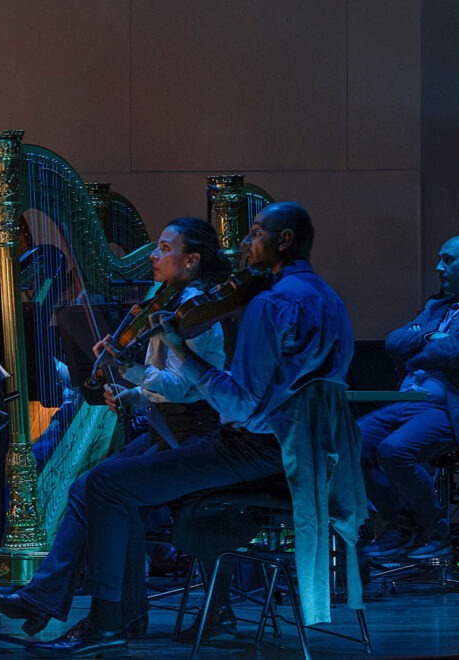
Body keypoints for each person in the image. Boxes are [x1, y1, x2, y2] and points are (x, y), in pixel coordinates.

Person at [26, 202, 352, 658]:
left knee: (103, 484)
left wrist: (181, 349)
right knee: (114, 482)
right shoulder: (330, 300)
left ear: (284, 241)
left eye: (255, 233)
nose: (244, 244)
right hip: (308, 454)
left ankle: (106, 626)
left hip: (258, 450)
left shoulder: (270, 304)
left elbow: (239, 404)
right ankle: (119, 614)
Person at [0, 218, 230, 639]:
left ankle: (90, 608)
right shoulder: (168, 302)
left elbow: (185, 388)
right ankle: (69, 601)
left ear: (192, 260)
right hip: (168, 429)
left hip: (195, 436)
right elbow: (164, 387)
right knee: (85, 488)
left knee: (102, 490)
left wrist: (127, 368)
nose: (154, 255)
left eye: (165, 248)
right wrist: (131, 395)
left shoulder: (196, 312)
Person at [360, 235, 459, 560]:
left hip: (456, 410)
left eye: (447, 260)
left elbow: (453, 350)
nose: (438, 267)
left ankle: (434, 528)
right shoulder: (437, 306)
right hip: (410, 403)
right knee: (350, 442)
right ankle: (403, 524)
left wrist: (424, 351)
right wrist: (433, 336)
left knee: (394, 451)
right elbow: (393, 342)